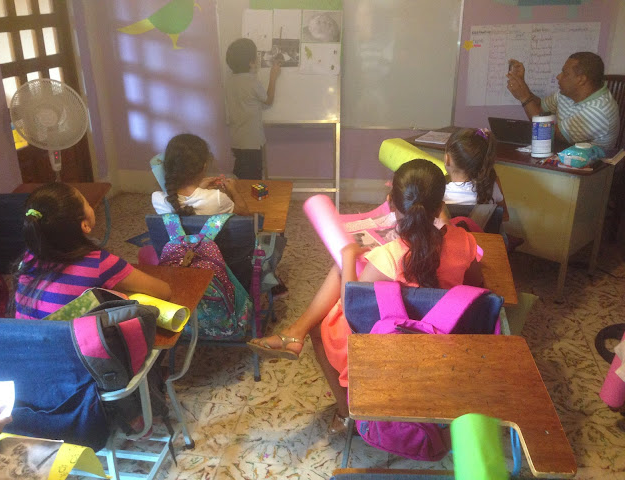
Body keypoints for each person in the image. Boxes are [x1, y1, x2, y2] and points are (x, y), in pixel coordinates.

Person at [248, 159, 482, 431]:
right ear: (440, 204)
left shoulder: (388, 258)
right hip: (440, 333)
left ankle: (344, 411)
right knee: (343, 272)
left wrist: (348, 255)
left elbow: (353, 309)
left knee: (322, 323)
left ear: (391, 204)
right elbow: (476, 285)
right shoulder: (465, 241)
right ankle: (294, 333)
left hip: (388, 341)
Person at [14, 183, 171, 319]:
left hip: (27, 343)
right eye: (87, 203)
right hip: (72, 344)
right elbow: (163, 291)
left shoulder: (29, 257)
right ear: (85, 225)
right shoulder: (98, 262)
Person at [506, 51, 620, 149]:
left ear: (581, 80)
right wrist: (522, 84)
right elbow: (540, 107)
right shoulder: (568, 94)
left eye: (565, 73)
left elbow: (549, 133)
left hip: (592, 165)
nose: (558, 77)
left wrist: (524, 97)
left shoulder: (598, 111)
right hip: (563, 154)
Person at [152, 133, 250, 216]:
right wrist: (233, 190)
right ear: (204, 166)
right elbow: (244, 213)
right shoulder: (217, 199)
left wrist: (199, 188)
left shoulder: (158, 199)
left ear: (168, 165)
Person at [225, 38, 281, 180]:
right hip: (252, 142)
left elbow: (249, 102)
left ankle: (238, 193)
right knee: (253, 178)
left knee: (241, 175)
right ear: (251, 62)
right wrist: (273, 76)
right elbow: (268, 100)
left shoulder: (230, 81)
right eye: (256, 55)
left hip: (237, 140)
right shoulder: (251, 81)